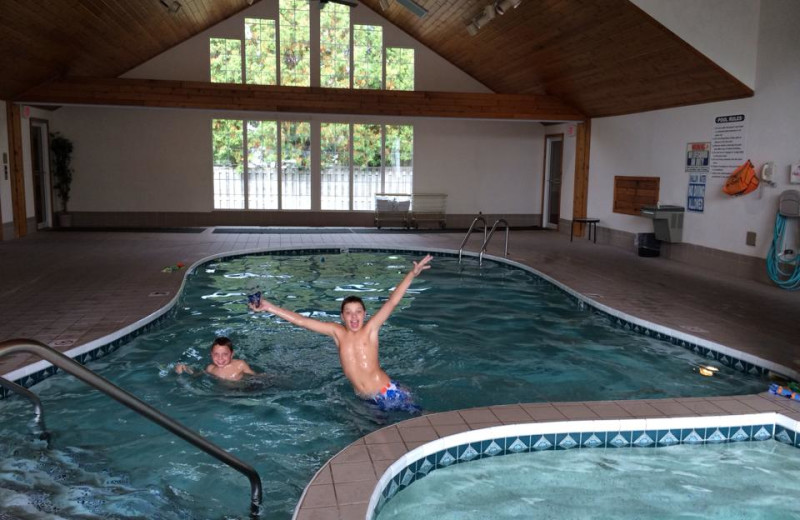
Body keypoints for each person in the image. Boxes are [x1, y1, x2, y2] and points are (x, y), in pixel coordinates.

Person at [249, 254, 433, 412]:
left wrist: (411, 274)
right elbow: (302, 321)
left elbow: (391, 302)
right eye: (348, 313)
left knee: (421, 420)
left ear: (365, 315)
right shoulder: (337, 333)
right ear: (342, 317)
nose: (354, 317)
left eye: (358, 312)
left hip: (387, 392)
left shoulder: (370, 329)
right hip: (364, 399)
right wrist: (269, 307)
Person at [175, 336, 256, 381]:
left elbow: (255, 376)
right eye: (216, 354)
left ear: (231, 355)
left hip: (243, 390)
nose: (220, 358)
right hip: (224, 393)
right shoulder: (210, 368)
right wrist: (185, 368)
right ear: (211, 355)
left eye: (225, 354)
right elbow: (196, 374)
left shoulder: (240, 364)